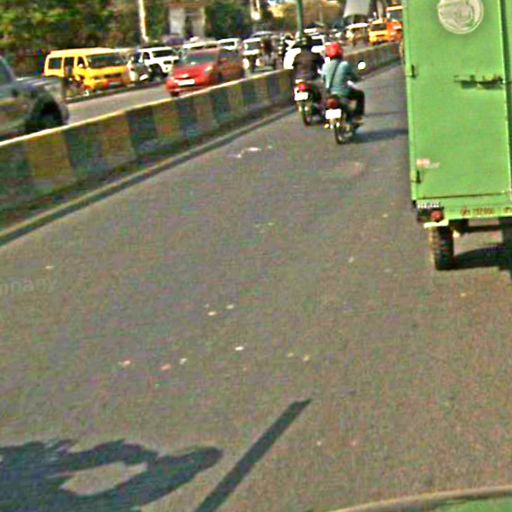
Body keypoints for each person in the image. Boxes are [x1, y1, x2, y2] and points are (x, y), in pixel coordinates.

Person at [323, 42, 365, 122]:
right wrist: (358, 78)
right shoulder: (344, 65)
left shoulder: (325, 66)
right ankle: (358, 115)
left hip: (330, 94)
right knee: (360, 94)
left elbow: (323, 79)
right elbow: (353, 76)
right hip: (344, 93)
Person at [292, 36, 325, 103]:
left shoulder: (297, 57)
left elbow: (294, 68)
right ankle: (323, 105)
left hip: (299, 80)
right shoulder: (315, 55)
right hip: (312, 79)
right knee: (323, 90)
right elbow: (322, 67)